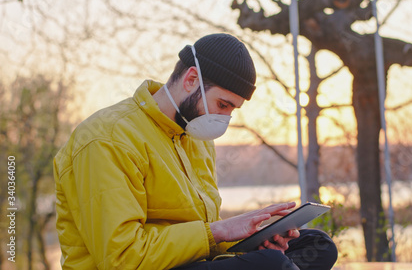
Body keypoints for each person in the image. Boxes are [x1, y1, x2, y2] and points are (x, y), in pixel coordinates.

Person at [53, 33, 338, 270]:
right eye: (223, 105)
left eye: (232, 110)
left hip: (187, 260)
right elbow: (122, 257)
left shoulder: (195, 134)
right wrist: (219, 232)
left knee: (317, 245)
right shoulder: (108, 138)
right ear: (191, 80)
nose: (225, 118)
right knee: (271, 265)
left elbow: (202, 236)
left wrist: (252, 233)